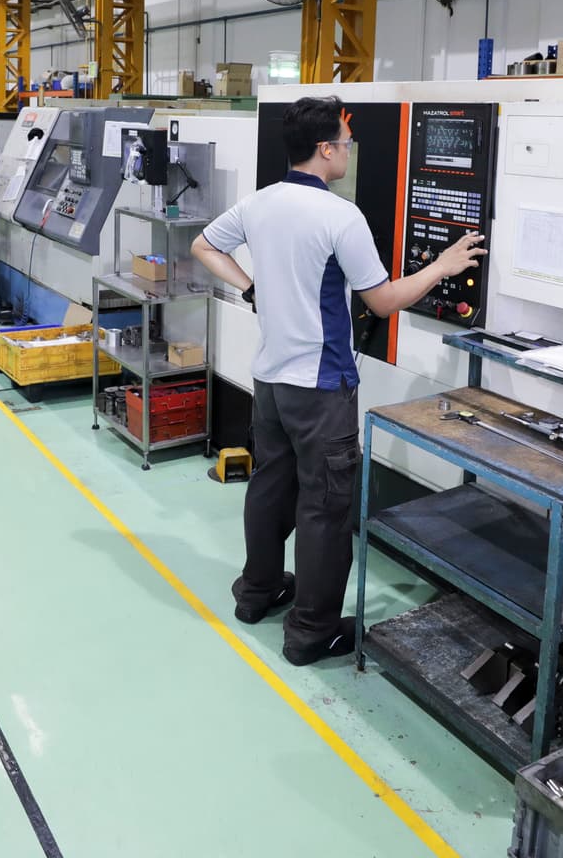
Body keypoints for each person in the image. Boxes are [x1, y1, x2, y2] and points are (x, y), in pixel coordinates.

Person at [192, 96, 484, 665]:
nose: (348, 151)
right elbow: (383, 299)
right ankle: (312, 632)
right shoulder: (340, 217)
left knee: (270, 488)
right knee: (325, 509)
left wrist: (253, 289)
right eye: (345, 143)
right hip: (321, 389)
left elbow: (205, 246)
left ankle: (258, 592)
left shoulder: (259, 203)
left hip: (269, 382)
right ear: (325, 150)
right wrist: (442, 266)